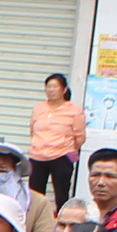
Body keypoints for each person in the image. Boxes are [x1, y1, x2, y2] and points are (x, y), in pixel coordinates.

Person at [26, 72, 83, 205]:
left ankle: (62, 220)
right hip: (37, 156)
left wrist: (71, 155)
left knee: (62, 193)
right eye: (49, 87)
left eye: (55, 86)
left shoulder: (75, 111)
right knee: (35, 194)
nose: (51, 90)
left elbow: (79, 137)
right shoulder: (39, 108)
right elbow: (33, 129)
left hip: (62, 155)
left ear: (64, 90)